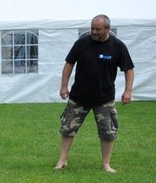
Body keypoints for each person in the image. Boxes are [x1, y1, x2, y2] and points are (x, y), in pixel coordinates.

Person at [55, 14, 135, 173]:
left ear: (107, 29)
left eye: (97, 29)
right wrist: (64, 86)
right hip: (79, 97)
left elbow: (129, 69)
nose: (93, 32)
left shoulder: (117, 46)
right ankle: (62, 160)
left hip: (104, 98)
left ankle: (106, 164)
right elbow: (69, 64)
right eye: (92, 28)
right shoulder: (82, 43)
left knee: (108, 132)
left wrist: (128, 91)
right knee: (67, 129)